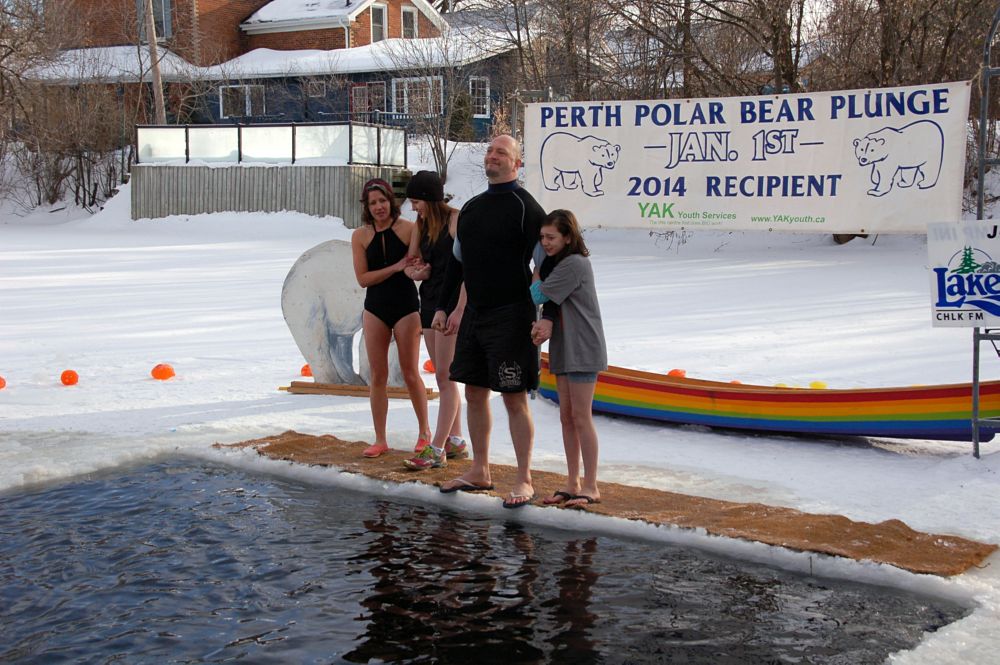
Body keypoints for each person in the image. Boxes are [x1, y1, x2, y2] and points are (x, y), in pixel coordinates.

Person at [432, 135, 546, 508]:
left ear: (517, 163)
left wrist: (547, 315)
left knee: (514, 397)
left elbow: (546, 266)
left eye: (502, 152)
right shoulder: (471, 209)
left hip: (512, 314)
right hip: (475, 315)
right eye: (490, 151)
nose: (493, 156)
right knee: (474, 392)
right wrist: (443, 307)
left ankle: (524, 478)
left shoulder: (527, 208)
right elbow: (457, 264)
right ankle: (480, 470)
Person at [530, 210, 608, 508]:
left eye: (551, 237)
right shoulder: (557, 264)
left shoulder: (574, 263)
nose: (545, 243)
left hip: (583, 347)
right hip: (564, 347)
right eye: (542, 238)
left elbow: (539, 295)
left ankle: (591, 485)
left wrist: (536, 272)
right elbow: (549, 302)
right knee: (566, 417)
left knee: (581, 416)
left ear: (567, 237)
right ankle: (572, 482)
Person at [350, 178, 431, 458]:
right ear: (366, 207)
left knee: (410, 372)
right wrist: (396, 267)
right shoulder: (360, 236)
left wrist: (414, 268)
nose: (379, 207)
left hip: (405, 306)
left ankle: (424, 433)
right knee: (378, 375)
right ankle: (380, 438)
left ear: (390, 201)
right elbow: (363, 279)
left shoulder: (409, 229)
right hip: (375, 308)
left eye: (382, 201)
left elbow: (415, 264)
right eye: (372, 203)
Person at [401, 170, 468, 470]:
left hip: (451, 300)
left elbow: (467, 265)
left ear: (430, 199)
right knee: (444, 374)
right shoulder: (421, 224)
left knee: (445, 376)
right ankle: (455, 439)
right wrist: (417, 271)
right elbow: (411, 261)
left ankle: (437, 448)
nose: (413, 208)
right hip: (429, 300)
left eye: (416, 202)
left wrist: (460, 308)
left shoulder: (455, 219)